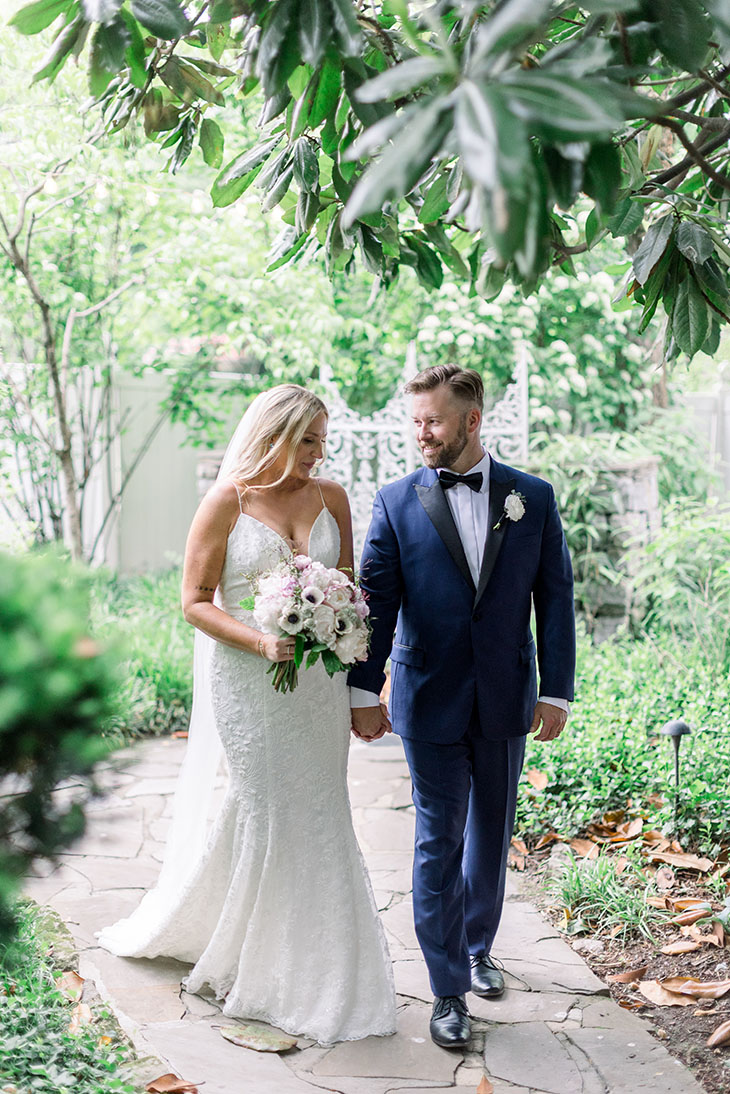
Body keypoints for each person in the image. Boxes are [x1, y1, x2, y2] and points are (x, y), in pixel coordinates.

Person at [99, 384, 396, 1045]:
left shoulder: (334, 500)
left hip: (315, 682)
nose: (321, 452)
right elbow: (195, 600)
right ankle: (260, 959)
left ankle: (322, 961)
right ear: (275, 436)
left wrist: (340, 626)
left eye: (324, 439)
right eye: (309, 439)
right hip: (248, 682)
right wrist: (262, 640)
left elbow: (347, 586)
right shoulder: (226, 502)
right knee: (267, 806)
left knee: (319, 806)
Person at [348, 364, 575, 1049]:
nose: (421, 434)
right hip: (429, 697)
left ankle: (480, 949)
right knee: (436, 840)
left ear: (471, 422)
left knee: (489, 836)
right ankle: (446, 989)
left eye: (433, 422)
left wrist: (556, 688)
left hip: (507, 695)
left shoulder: (531, 497)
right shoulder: (394, 502)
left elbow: (555, 596)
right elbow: (376, 602)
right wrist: (364, 689)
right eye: (414, 421)